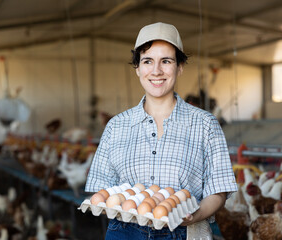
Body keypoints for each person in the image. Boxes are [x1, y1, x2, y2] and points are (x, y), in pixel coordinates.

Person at [85, 22, 237, 240]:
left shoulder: (205, 124)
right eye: (147, 61)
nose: (156, 71)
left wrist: (196, 215)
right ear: (137, 68)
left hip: (185, 232)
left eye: (166, 61)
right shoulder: (116, 126)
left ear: (179, 67)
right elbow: (100, 189)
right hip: (125, 232)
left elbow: (219, 189)